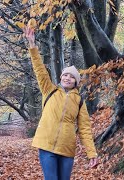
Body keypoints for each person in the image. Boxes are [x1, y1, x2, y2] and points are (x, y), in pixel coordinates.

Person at [23, 26, 98, 180]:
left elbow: (84, 129)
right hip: (47, 146)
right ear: (61, 77)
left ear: (76, 82)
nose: (67, 78)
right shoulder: (49, 89)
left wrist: (91, 153)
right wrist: (32, 47)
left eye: (72, 77)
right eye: (65, 75)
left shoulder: (79, 101)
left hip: (67, 149)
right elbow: (40, 69)